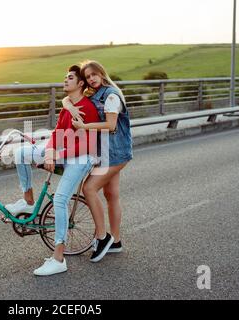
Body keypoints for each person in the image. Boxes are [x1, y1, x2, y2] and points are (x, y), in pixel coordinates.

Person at [5, 65, 100, 276]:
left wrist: (57, 155)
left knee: (60, 200)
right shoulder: (67, 106)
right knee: (21, 153)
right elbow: (57, 132)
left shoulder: (87, 108)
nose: (65, 80)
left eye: (70, 78)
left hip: (82, 157)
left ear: (81, 83)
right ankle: (28, 202)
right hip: (62, 152)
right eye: (65, 77)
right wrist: (49, 152)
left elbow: (88, 144)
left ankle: (58, 259)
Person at [62, 60, 133, 263]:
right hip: (107, 152)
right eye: (88, 76)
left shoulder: (110, 95)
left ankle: (103, 238)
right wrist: (68, 105)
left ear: (102, 73)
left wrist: (84, 127)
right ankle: (116, 242)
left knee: (89, 188)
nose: (91, 78)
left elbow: (111, 125)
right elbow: (67, 99)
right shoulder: (95, 93)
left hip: (116, 153)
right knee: (111, 194)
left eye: (94, 74)